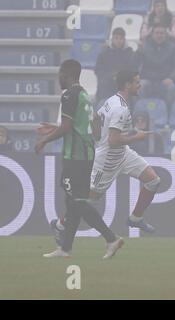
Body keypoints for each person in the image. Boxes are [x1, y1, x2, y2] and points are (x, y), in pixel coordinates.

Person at [35, 59, 123, 259]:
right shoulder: (84, 95)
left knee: (77, 201)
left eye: (60, 74)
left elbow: (67, 127)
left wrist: (44, 140)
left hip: (75, 156)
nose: (59, 77)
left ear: (66, 74)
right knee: (73, 201)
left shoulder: (68, 95)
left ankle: (111, 238)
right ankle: (65, 249)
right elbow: (87, 125)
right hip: (87, 153)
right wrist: (54, 127)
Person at [90, 70, 161, 233]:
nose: (139, 85)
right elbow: (113, 140)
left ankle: (135, 218)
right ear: (127, 85)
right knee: (89, 200)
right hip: (107, 160)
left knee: (153, 180)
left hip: (123, 154)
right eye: (136, 82)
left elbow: (95, 120)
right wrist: (137, 136)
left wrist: (99, 138)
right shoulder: (121, 109)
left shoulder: (111, 100)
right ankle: (61, 224)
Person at [134, 24, 175, 109]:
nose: (159, 35)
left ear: (166, 35)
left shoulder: (173, 48)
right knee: (139, 86)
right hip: (148, 79)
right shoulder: (144, 46)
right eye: (157, 33)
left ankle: (168, 116)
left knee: (171, 88)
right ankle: (140, 113)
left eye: (162, 33)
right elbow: (134, 64)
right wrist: (138, 52)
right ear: (152, 34)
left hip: (165, 80)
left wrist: (171, 78)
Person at [95, 27, 134, 102]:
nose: (118, 41)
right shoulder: (104, 54)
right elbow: (99, 70)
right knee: (102, 84)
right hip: (108, 81)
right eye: (116, 38)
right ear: (112, 39)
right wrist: (111, 76)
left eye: (121, 38)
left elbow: (133, 70)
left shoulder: (130, 53)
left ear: (124, 40)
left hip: (124, 81)